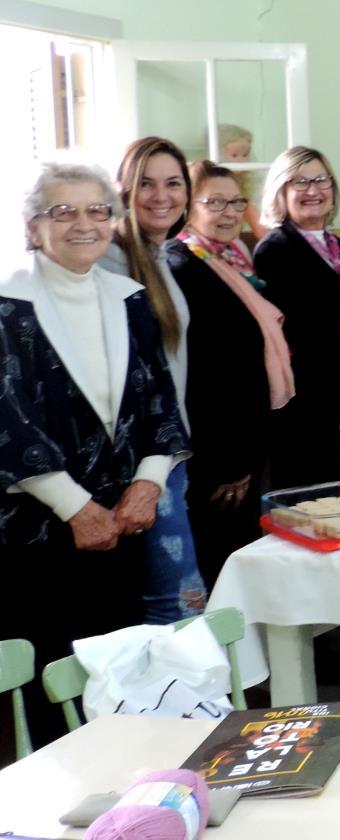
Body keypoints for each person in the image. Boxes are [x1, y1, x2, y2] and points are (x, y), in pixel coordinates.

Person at [0, 163, 189, 748]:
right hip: (40, 532)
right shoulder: (8, 303)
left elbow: (159, 395)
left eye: (97, 211)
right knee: (56, 672)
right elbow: (8, 420)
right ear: (34, 227)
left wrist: (148, 484)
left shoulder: (129, 298)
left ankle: (126, 783)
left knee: (119, 664)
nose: (84, 224)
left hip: (124, 521)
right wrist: (77, 509)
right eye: (64, 211)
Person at [166, 161, 293, 587]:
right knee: (222, 566)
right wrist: (230, 464)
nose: (228, 212)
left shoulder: (230, 259)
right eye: (214, 202)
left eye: (235, 201)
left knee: (242, 557)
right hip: (220, 455)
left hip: (246, 443)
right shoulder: (182, 266)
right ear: (189, 206)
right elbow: (205, 375)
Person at [99, 137, 208, 624]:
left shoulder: (161, 254)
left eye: (173, 183)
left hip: (166, 455)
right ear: (124, 190)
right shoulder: (108, 262)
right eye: (146, 183)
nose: (161, 196)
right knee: (178, 600)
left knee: (173, 597)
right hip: (139, 462)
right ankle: (178, 700)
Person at [254, 147, 340, 487]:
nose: (313, 190)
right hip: (307, 411)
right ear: (281, 192)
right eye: (299, 182)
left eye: (320, 180)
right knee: (313, 516)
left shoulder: (339, 250)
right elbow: (295, 349)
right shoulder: (276, 251)